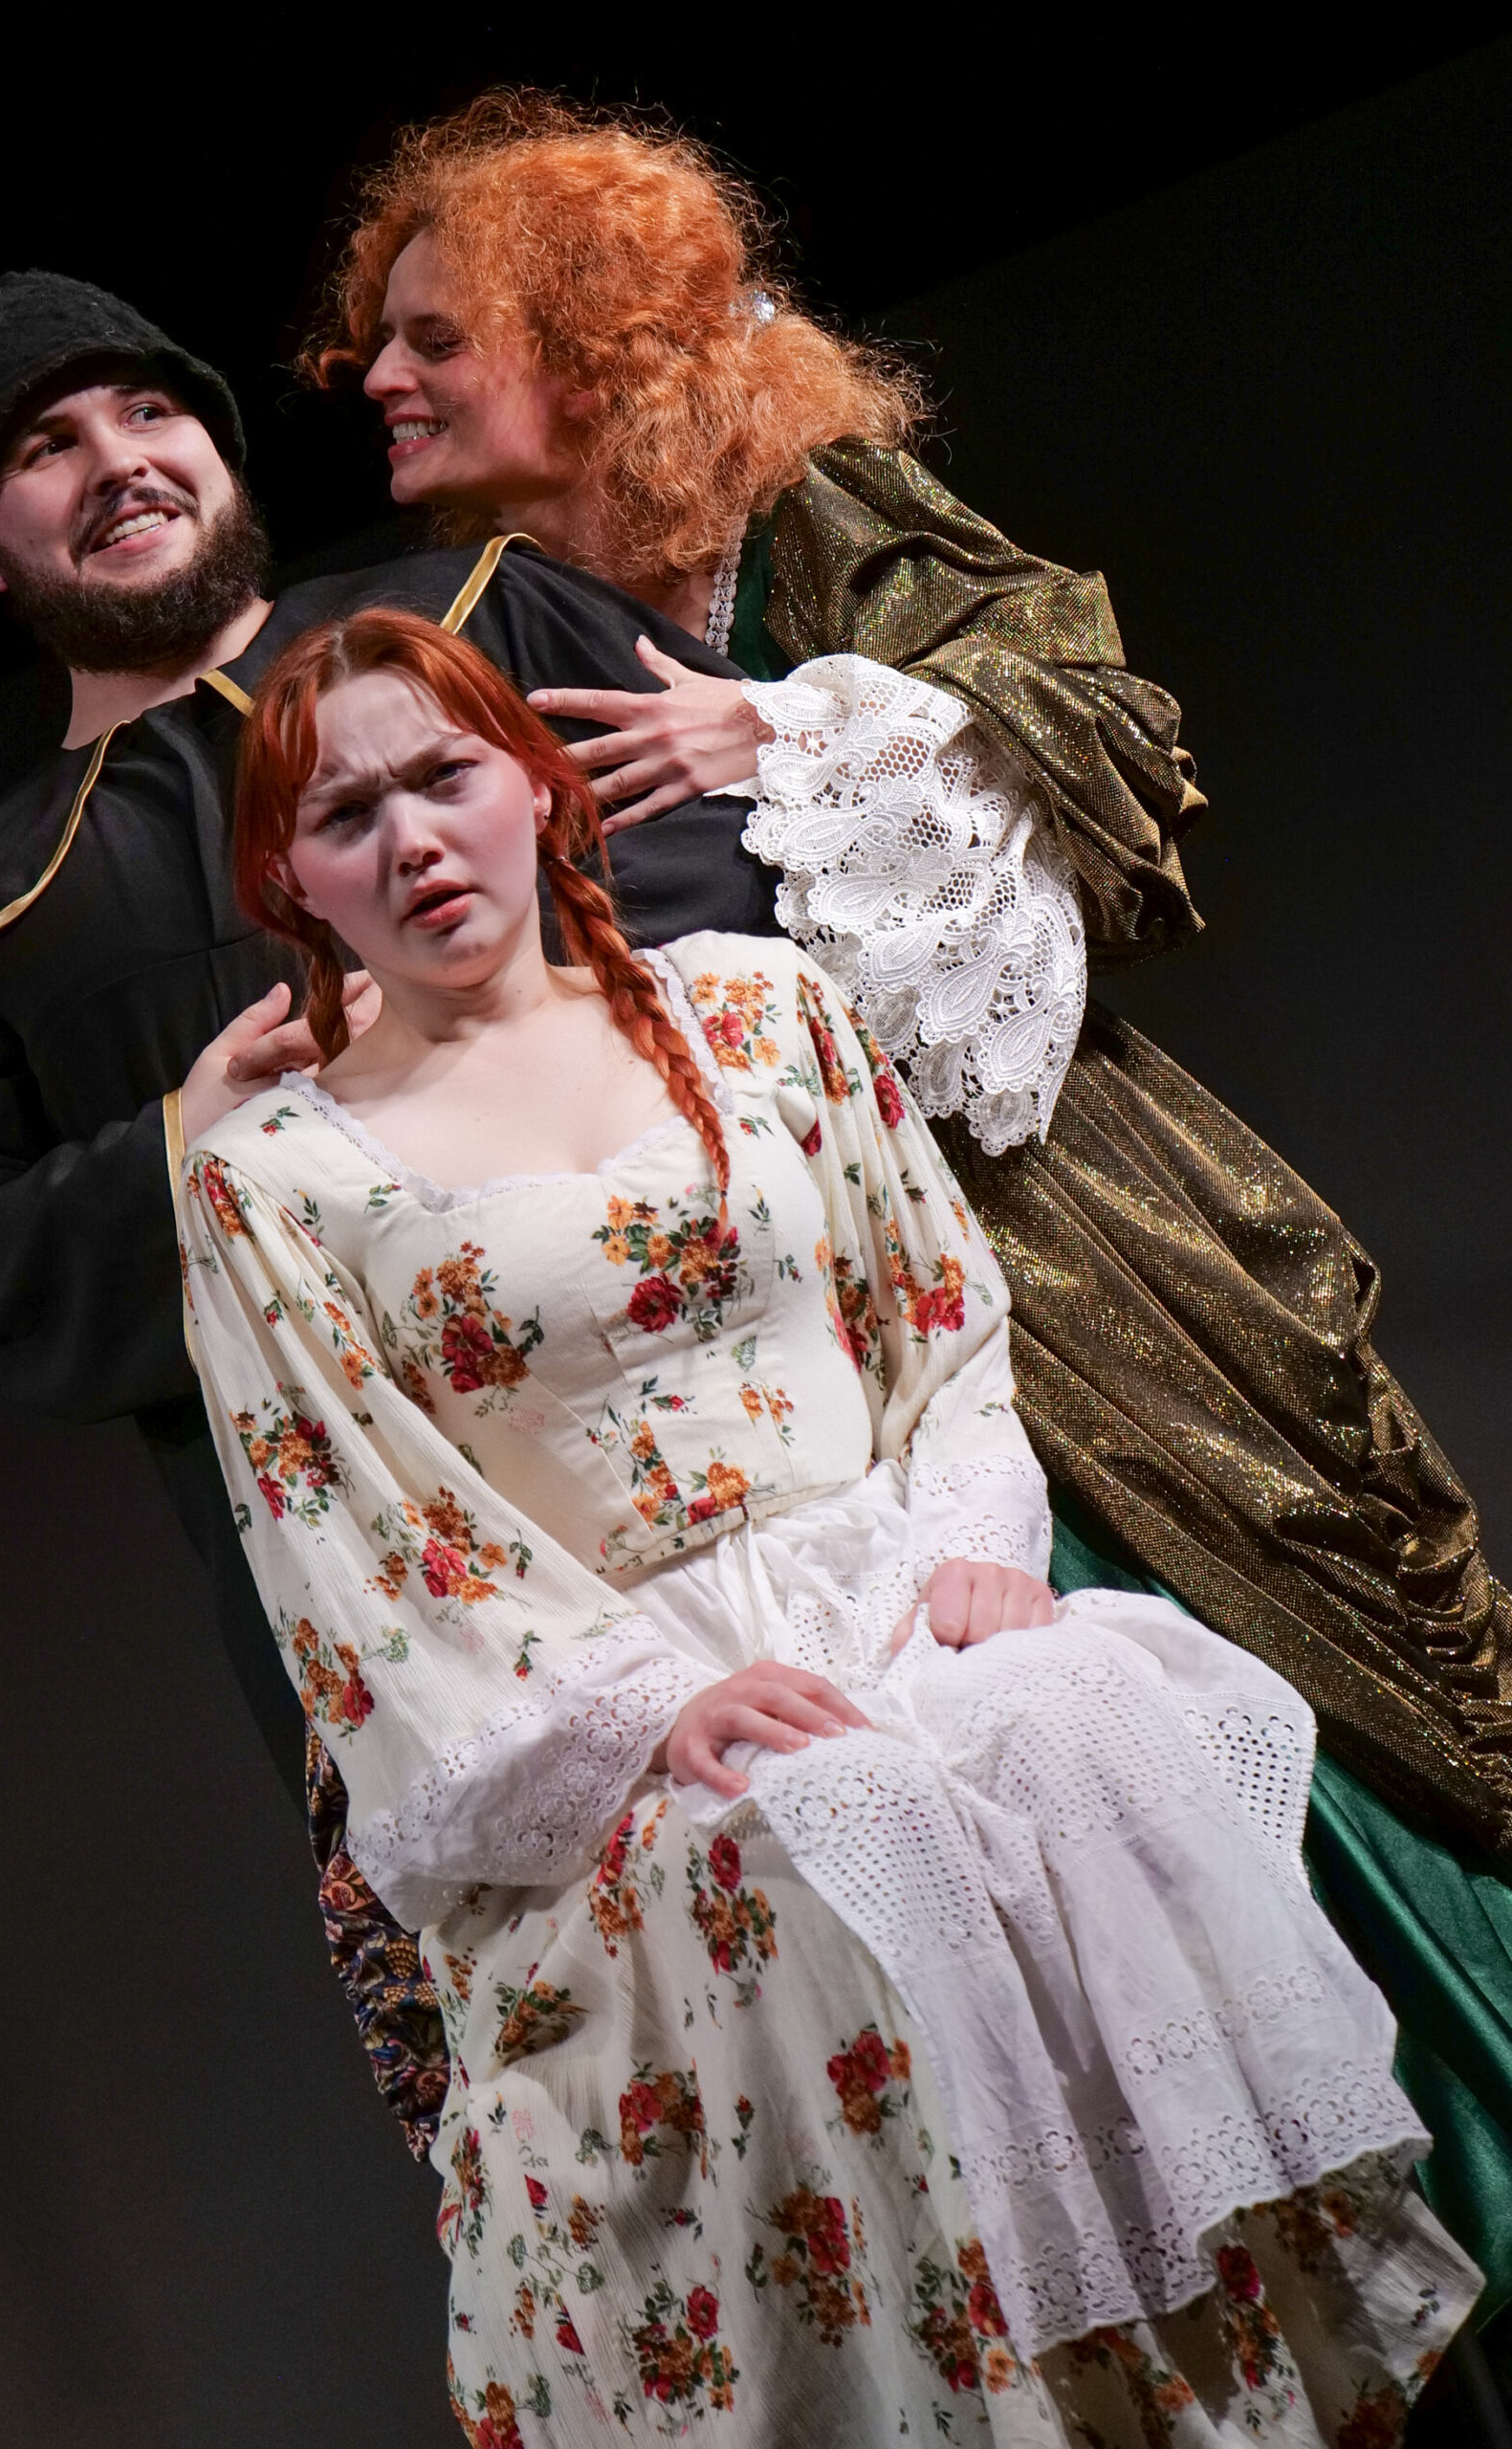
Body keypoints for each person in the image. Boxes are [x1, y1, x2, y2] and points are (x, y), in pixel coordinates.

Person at [307, 95, 1512, 2330]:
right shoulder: (483, 629)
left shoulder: (800, 511)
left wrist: (785, 736)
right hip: (806, 1317)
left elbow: (1105, 736)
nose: (374, 377)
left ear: (577, 337)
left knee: (1251, 1749)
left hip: (1047, 1255)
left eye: (430, 335)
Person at [177, 602, 1478, 2445]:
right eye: (345, 816)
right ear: (290, 882)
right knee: (823, 1846)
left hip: (892, 1595)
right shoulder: (278, 1175)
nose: (412, 843)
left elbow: (940, 1315)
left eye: (444, 778)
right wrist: (646, 1717)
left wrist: (974, 1547)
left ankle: (1233, 2396)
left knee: (1073, 1723)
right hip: (637, 1702)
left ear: (535, 785)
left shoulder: (758, 1007)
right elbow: (357, 1540)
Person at [0, 266, 791, 2145]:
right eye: (47, 447)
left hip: (732, 1459)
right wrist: (180, 1140)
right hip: (412, 1610)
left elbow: (736, 872)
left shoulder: (476, 611)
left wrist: (465, 1041)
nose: (119, 460)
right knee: (628, 2154)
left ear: (218, 442)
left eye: (148, 410)